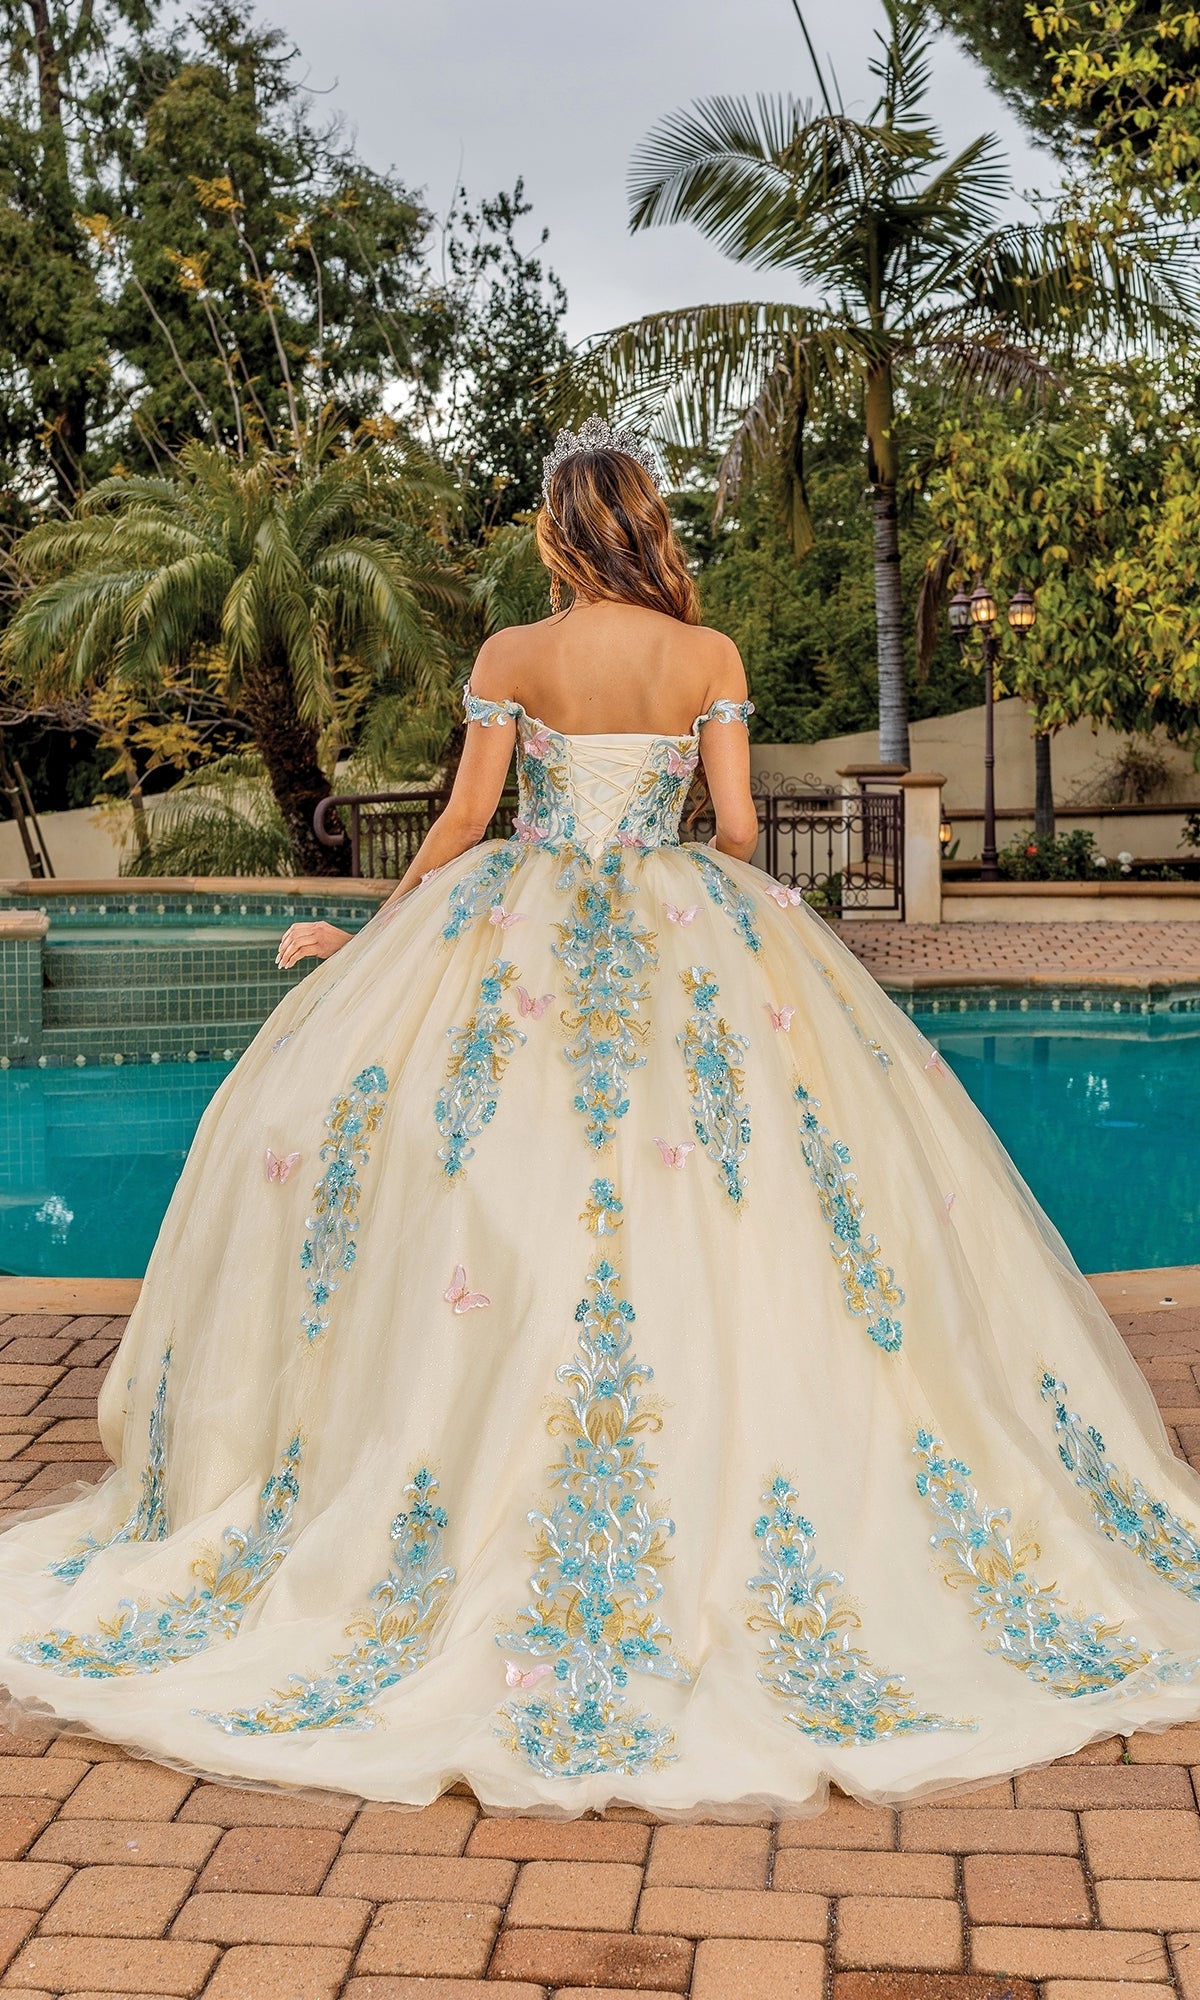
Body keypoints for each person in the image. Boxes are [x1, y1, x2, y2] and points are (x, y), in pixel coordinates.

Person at [2, 417, 1200, 1822]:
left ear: (564, 532)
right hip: (692, 925)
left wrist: (374, 934)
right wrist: (691, 865)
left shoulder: (514, 654)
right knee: (762, 1199)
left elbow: (462, 822)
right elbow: (743, 833)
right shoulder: (711, 658)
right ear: (644, 523)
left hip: (522, 931)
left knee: (495, 1194)